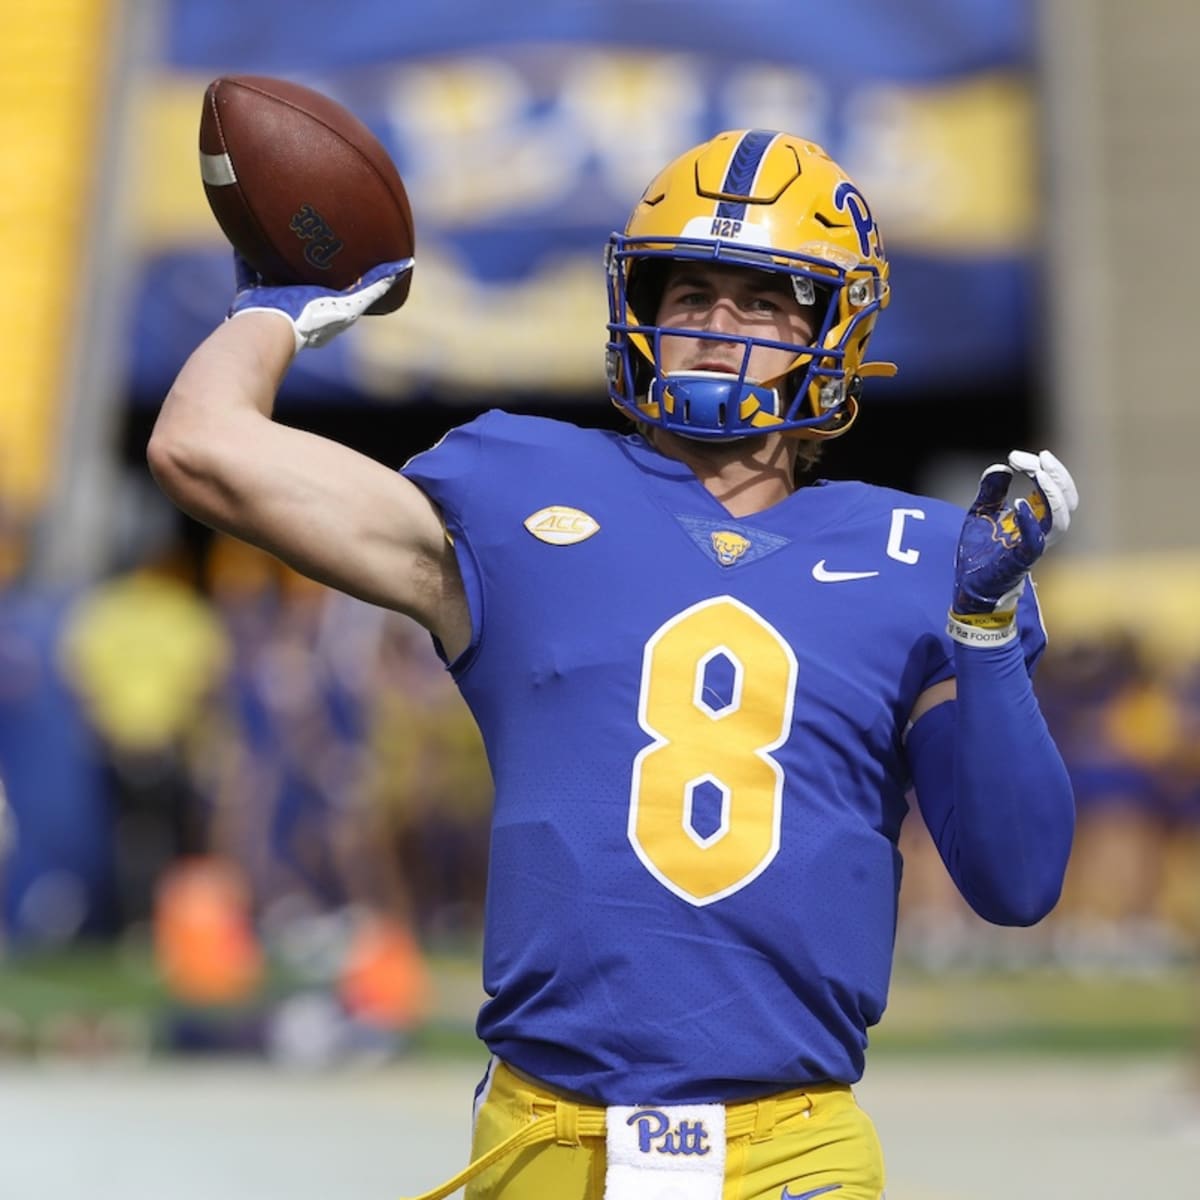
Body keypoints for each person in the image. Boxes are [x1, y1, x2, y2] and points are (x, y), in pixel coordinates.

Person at [148, 129, 1078, 1200]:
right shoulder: (516, 485)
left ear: (832, 325)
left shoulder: (920, 557)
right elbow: (200, 448)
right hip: (542, 1135)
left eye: (762, 298)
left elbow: (1017, 882)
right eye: (690, 292)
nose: (717, 325)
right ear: (640, 308)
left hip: (788, 1149)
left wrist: (986, 629)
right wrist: (277, 303)